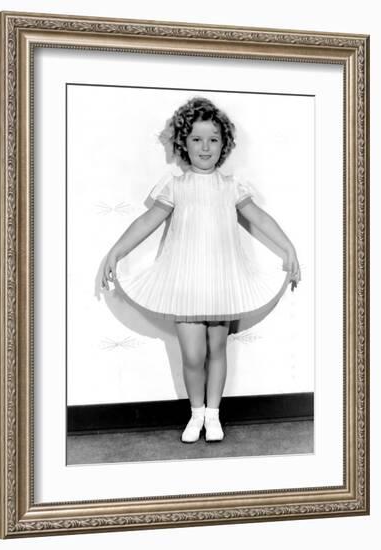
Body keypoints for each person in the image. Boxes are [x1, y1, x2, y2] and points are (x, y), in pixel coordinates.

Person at [101, 97, 301, 444]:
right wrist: (117, 251)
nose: (204, 147)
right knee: (193, 355)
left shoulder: (232, 187)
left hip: (221, 279)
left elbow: (261, 218)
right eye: (196, 139)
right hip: (187, 280)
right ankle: (196, 413)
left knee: (217, 350)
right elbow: (147, 221)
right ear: (183, 143)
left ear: (224, 144)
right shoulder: (175, 186)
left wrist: (289, 247)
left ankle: (214, 415)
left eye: (212, 139)